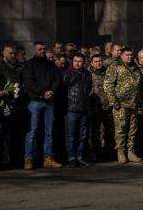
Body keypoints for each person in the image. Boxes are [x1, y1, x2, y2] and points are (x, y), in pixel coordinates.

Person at [22, 41, 62, 170]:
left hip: (49, 101)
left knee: (49, 131)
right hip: (35, 101)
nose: (42, 51)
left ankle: (48, 158)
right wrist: (43, 92)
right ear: (34, 50)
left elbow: (57, 79)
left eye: (44, 49)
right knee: (32, 131)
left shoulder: (51, 65)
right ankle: (29, 159)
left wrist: (52, 92)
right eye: (39, 49)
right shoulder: (29, 65)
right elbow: (29, 83)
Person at [104, 46, 143, 164]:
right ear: (121, 55)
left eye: (131, 55)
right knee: (121, 129)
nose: (130, 57)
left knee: (132, 129)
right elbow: (108, 85)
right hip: (120, 105)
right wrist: (114, 102)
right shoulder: (114, 67)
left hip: (134, 104)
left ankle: (130, 151)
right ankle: (121, 152)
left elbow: (141, 86)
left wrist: (140, 101)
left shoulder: (136, 68)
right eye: (127, 55)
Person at [62, 53, 92, 167]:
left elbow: (88, 89)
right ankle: (71, 157)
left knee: (83, 135)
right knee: (71, 135)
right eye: (75, 61)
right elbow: (65, 86)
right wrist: (75, 75)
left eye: (80, 61)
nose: (77, 63)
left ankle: (80, 156)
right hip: (71, 109)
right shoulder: (67, 73)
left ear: (83, 62)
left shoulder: (87, 74)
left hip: (84, 109)